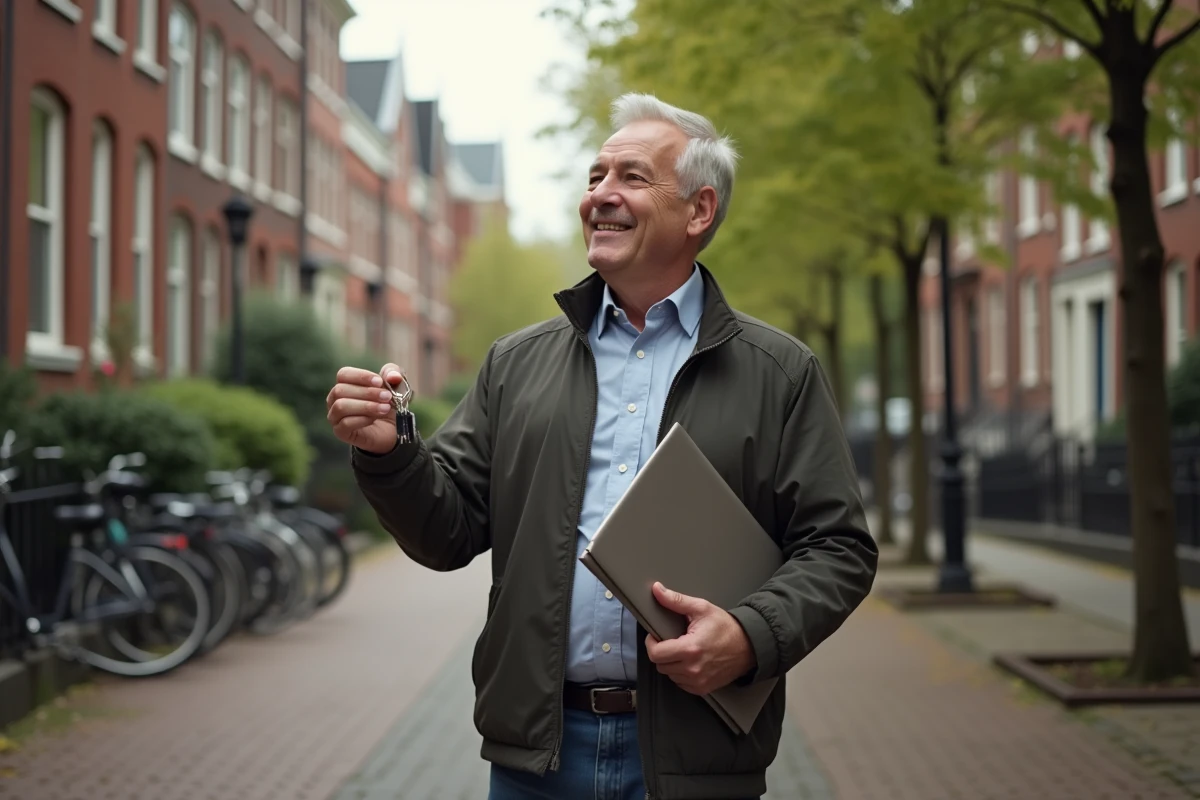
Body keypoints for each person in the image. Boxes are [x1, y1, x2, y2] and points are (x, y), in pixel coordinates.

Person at [326, 92, 878, 800]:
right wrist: (390, 454)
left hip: (694, 761)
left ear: (699, 211)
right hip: (537, 759)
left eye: (632, 178)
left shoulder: (781, 374)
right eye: (595, 177)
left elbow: (839, 548)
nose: (601, 196)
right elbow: (448, 533)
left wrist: (748, 637)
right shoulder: (514, 364)